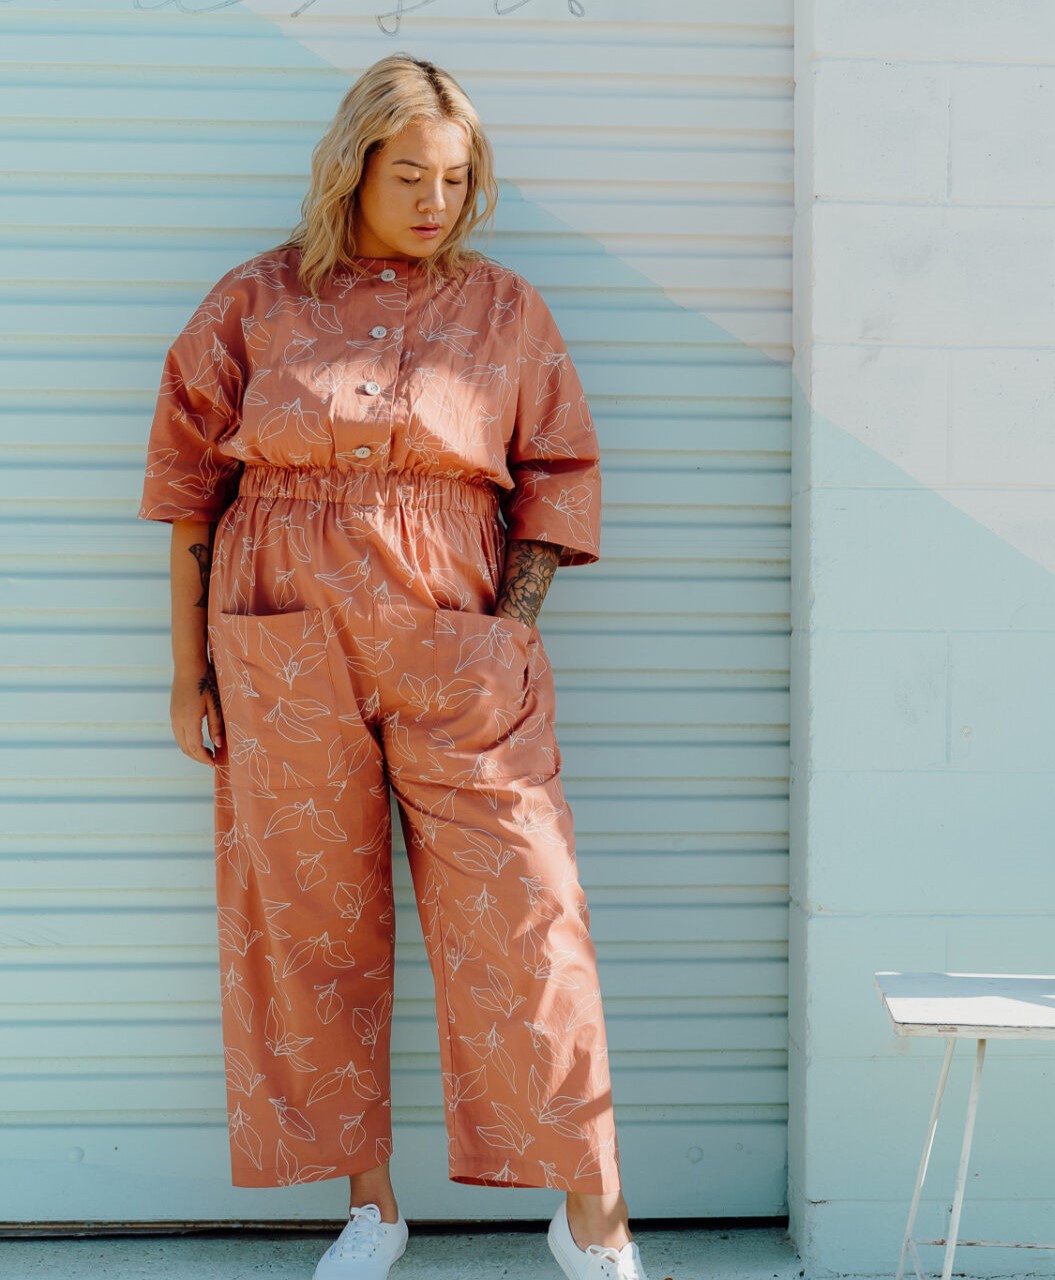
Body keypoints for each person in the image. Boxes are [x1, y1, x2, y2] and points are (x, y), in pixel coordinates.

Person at [139, 53, 650, 1280]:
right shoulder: (253, 302)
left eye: (455, 176)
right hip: (276, 639)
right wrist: (186, 667)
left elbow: (558, 477)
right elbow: (188, 490)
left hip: (456, 644)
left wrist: (511, 628)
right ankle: (371, 1205)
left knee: (528, 915)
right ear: (354, 166)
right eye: (409, 172)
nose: (434, 197)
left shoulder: (505, 309)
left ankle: (591, 1209)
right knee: (309, 924)